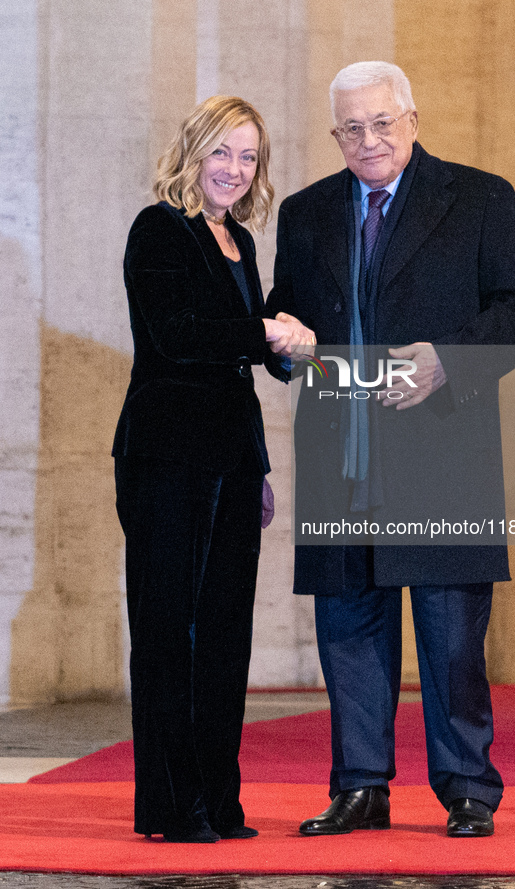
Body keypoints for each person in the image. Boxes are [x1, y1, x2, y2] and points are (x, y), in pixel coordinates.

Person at [265, 62, 515, 838]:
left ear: (412, 119)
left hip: (442, 457)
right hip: (341, 456)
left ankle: (466, 788)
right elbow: (284, 320)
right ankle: (360, 784)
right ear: (335, 135)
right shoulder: (305, 212)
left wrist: (447, 358)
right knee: (348, 630)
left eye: (382, 122)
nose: (368, 140)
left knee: (451, 633)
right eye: (351, 128)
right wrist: (283, 345)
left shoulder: (479, 197)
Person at [112, 95, 314, 843]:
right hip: (165, 455)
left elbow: (242, 360)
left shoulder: (241, 242)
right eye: (221, 151)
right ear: (193, 151)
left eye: (248, 156)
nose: (234, 168)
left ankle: (218, 800)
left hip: (230, 460)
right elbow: (175, 336)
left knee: (225, 633)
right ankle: (172, 805)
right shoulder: (157, 228)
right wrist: (263, 329)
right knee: (171, 630)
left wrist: (288, 350)